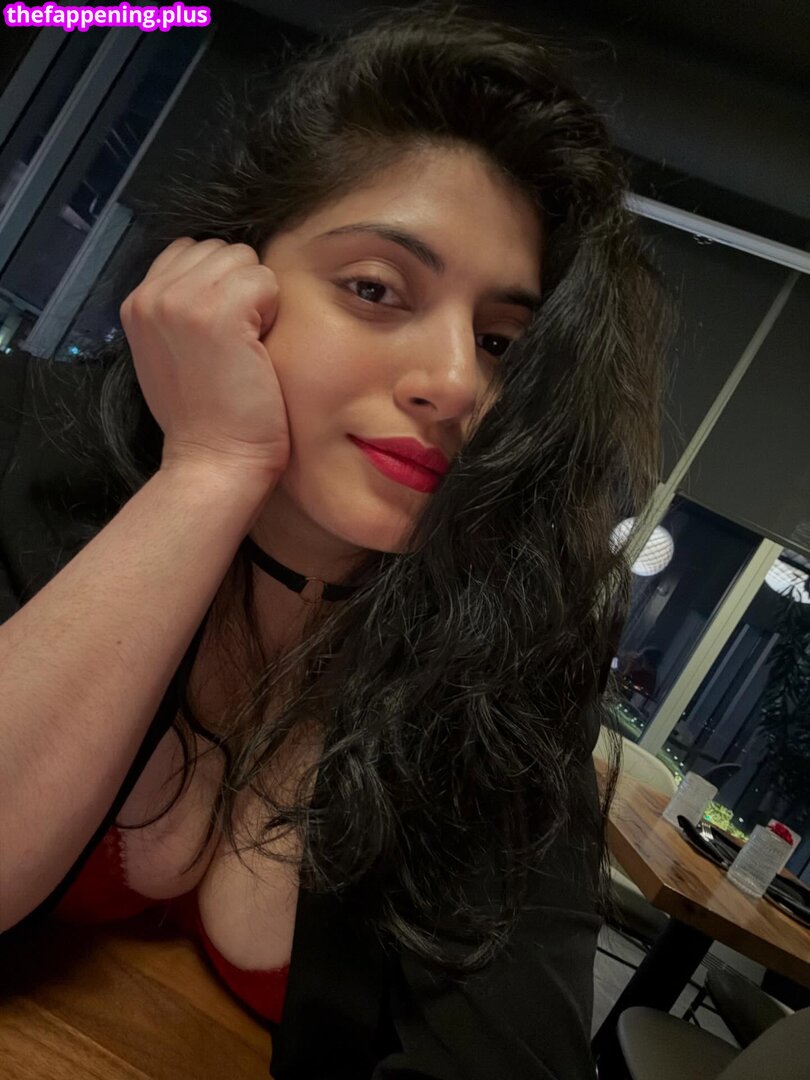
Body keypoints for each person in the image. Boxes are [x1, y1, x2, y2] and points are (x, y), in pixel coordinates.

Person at [0, 3, 673, 1076]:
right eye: (374, 289)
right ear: (228, 279)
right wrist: (209, 470)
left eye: (501, 342)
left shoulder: (506, 671)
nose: (455, 381)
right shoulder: (23, 439)